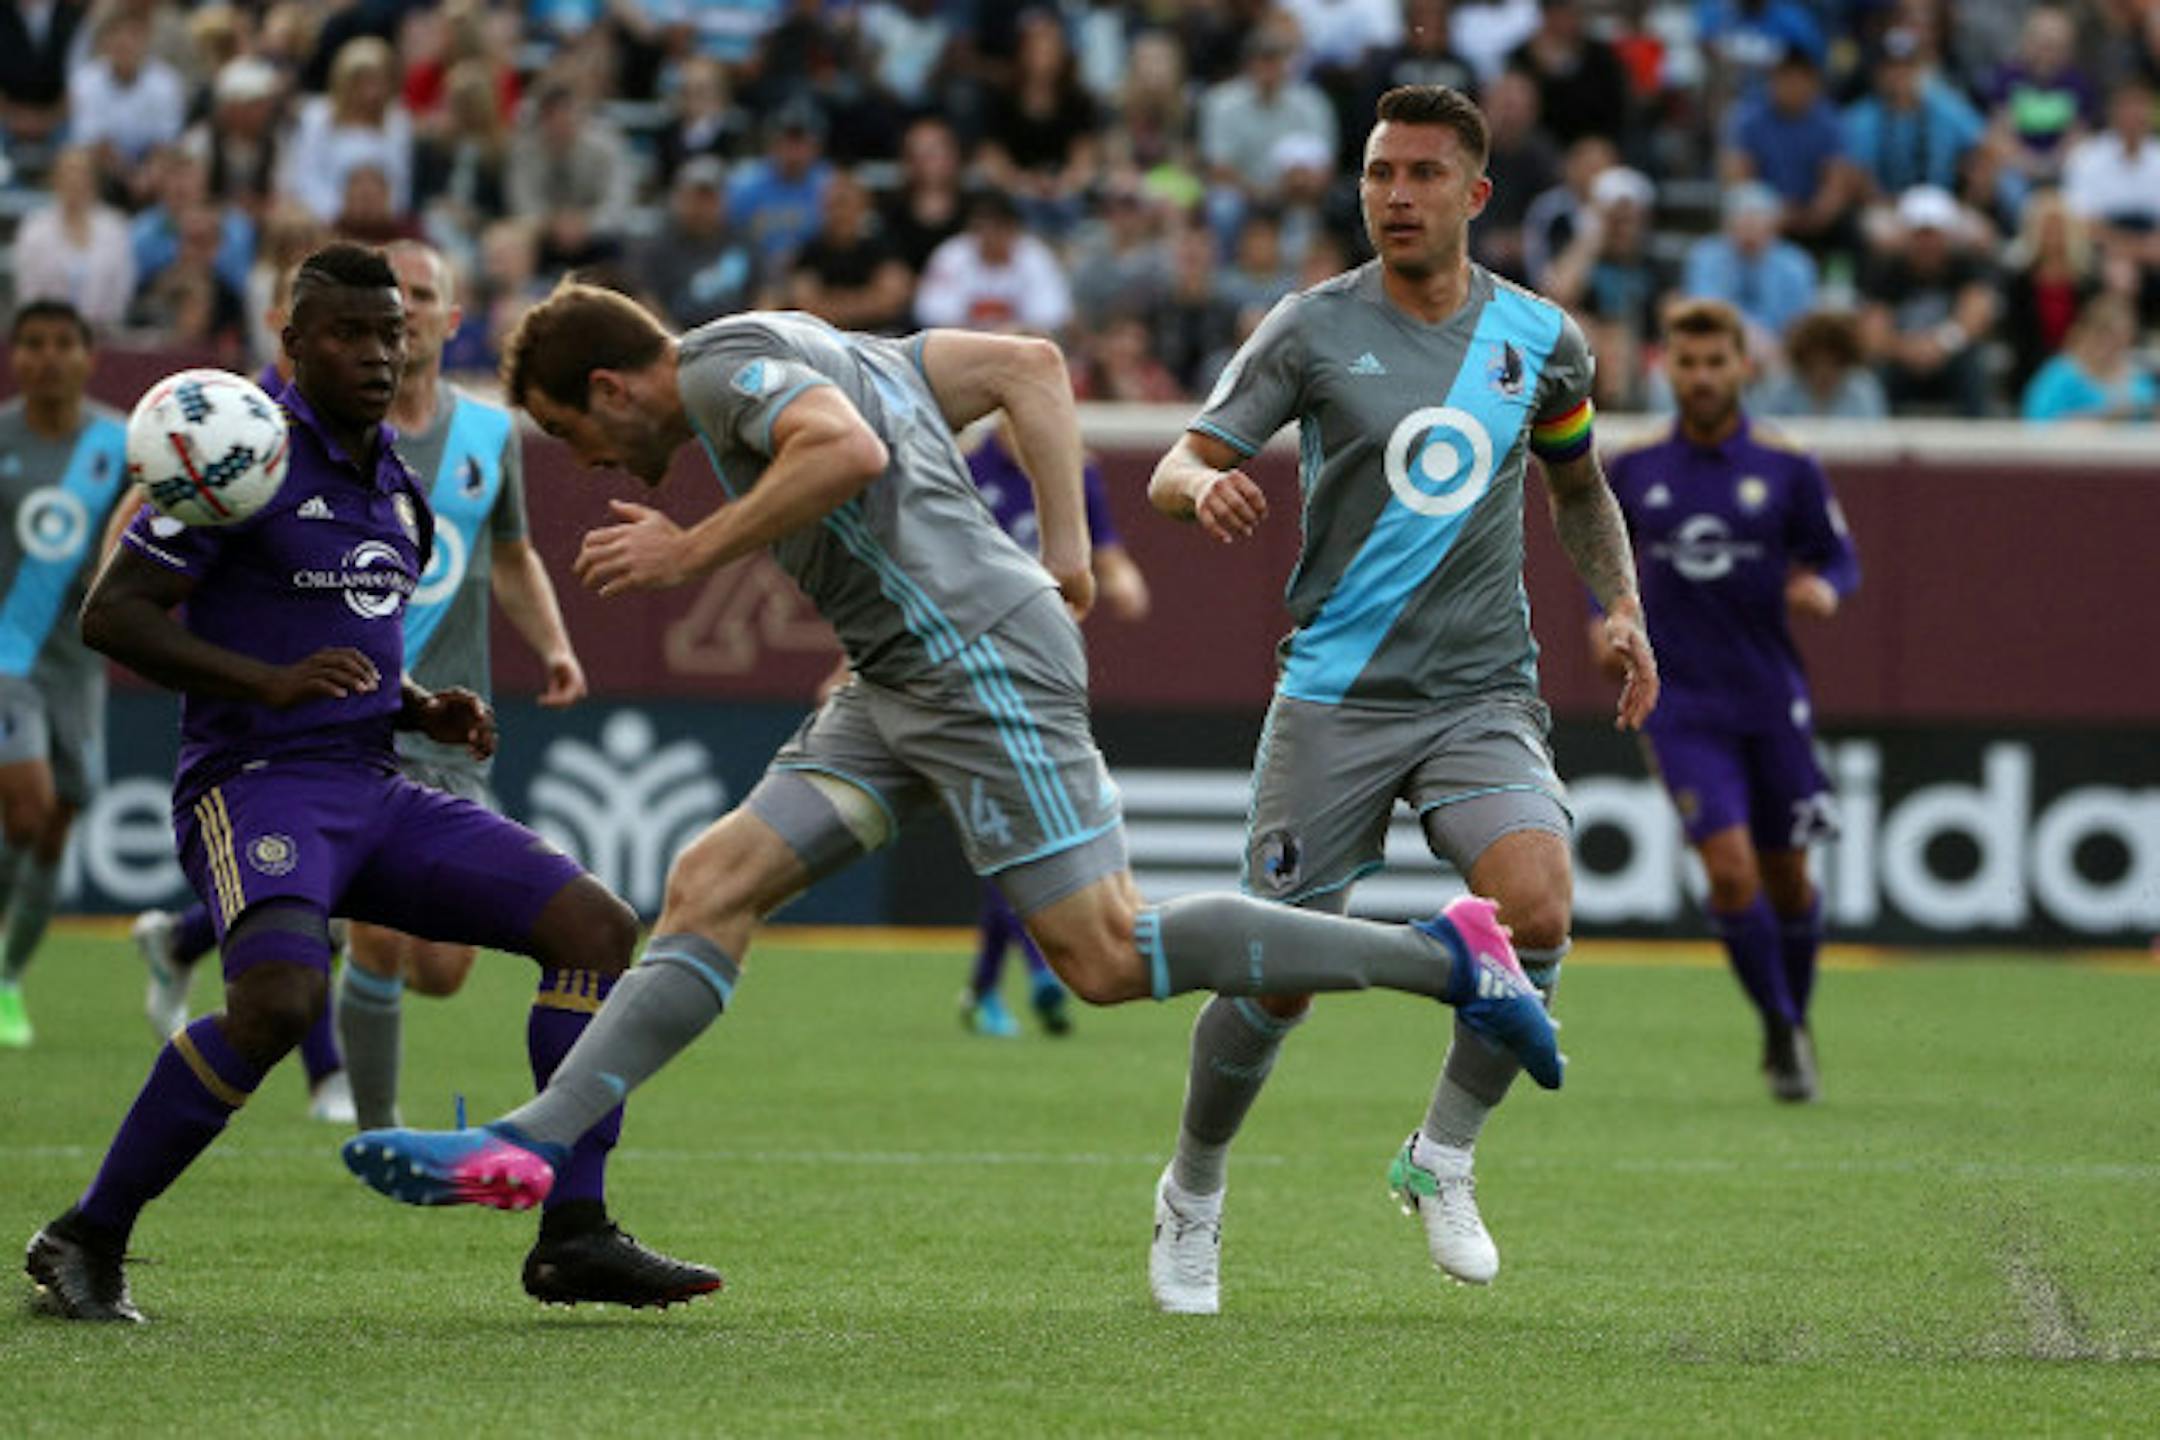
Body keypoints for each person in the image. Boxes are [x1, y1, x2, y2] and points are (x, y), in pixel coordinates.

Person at [336, 283, 1569, 1280]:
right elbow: (1029, 365)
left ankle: (1444, 957)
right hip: (897, 681)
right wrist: (1068, 558)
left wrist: (690, 550)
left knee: (1104, 955)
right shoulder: (810, 338)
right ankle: (536, 1140)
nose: (595, 462)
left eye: (575, 434)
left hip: (973, 665)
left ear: (611, 385)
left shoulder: (719, 372)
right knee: (711, 883)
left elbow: (845, 448)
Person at [23, 245, 716, 1323]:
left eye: (391, 333)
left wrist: (419, 706)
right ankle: (88, 1234)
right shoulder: (240, 451)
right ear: (294, 344)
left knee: (595, 927)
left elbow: (348, 642)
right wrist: (268, 683)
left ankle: (574, 1233)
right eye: (349, 334)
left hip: (372, 784)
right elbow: (111, 616)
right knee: (277, 1002)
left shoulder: (397, 485)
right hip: (255, 784)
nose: (378, 354)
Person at [1140, 83, 1657, 1314]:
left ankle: (1442, 1156)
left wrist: (1623, 605)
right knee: (1273, 981)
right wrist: (1197, 491)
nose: (1396, 195)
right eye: (1380, 173)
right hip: (1337, 696)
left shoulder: (1541, 339)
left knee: (1537, 908)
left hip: (1482, 693)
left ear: (1476, 194)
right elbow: (1178, 461)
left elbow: (1579, 487)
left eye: (1423, 175)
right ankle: (1193, 1190)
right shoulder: (1311, 328)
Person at [329, 237, 590, 1139]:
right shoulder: (333, 429)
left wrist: (555, 647)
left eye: (421, 293)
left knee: (442, 969)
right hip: (352, 720)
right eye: (389, 294)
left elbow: (511, 555)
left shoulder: (488, 433)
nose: (406, 309)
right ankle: (373, 1130)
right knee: (380, 933)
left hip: (451, 727)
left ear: (452, 317)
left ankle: (320, 924)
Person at [1595, 298, 1857, 1102]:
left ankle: (1794, 1018)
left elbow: (1839, 558)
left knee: (1789, 879)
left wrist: (1824, 590)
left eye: (1716, 363)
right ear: (1666, 368)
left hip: (1771, 699)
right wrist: (1606, 623)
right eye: (1688, 363)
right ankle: (1779, 1029)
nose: (1702, 377)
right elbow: (1601, 565)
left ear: (1744, 366)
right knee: (1732, 873)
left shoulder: (1787, 465)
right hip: (1682, 705)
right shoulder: (1634, 467)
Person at [956, 422, 1149, 1038]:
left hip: (1044, 669)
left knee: (1018, 829)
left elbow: (1105, 552)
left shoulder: (1073, 469)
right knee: (1019, 824)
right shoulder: (963, 467)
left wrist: (1122, 578)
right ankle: (1037, 972)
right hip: (970, 666)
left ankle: (986, 989)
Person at [0, 302, 131, 1048]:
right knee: (26, 809)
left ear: (88, 356)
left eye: (61, 344)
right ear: (15, 357)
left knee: (54, 826)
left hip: (78, 663)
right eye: (32, 343)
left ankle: (9, 980)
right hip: (6, 658)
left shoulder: (121, 446)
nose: (46, 357)